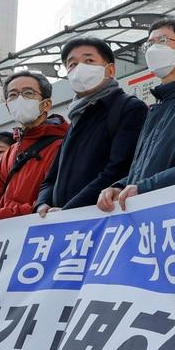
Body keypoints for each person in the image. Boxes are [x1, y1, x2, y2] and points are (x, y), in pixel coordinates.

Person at [98, 18, 175, 211]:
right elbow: (144, 171)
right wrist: (120, 186)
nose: (152, 49)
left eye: (162, 41)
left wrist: (144, 188)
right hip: (149, 216)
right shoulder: (156, 108)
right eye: (149, 44)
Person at [36, 37, 147, 216]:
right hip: (63, 222)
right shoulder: (76, 117)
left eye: (89, 60)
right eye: (72, 65)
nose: (79, 68)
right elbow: (50, 179)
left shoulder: (128, 108)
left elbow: (117, 170)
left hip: (100, 219)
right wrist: (42, 205)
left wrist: (68, 211)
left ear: (110, 70)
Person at [0, 73, 68, 233]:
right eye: (13, 95)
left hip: (41, 235)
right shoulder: (11, 152)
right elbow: (0, 200)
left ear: (46, 104)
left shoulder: (62, 145)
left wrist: (5, 216)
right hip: (8, 237)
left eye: (28, 93)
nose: (19, 99)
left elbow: (56, 201)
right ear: (8, 106)